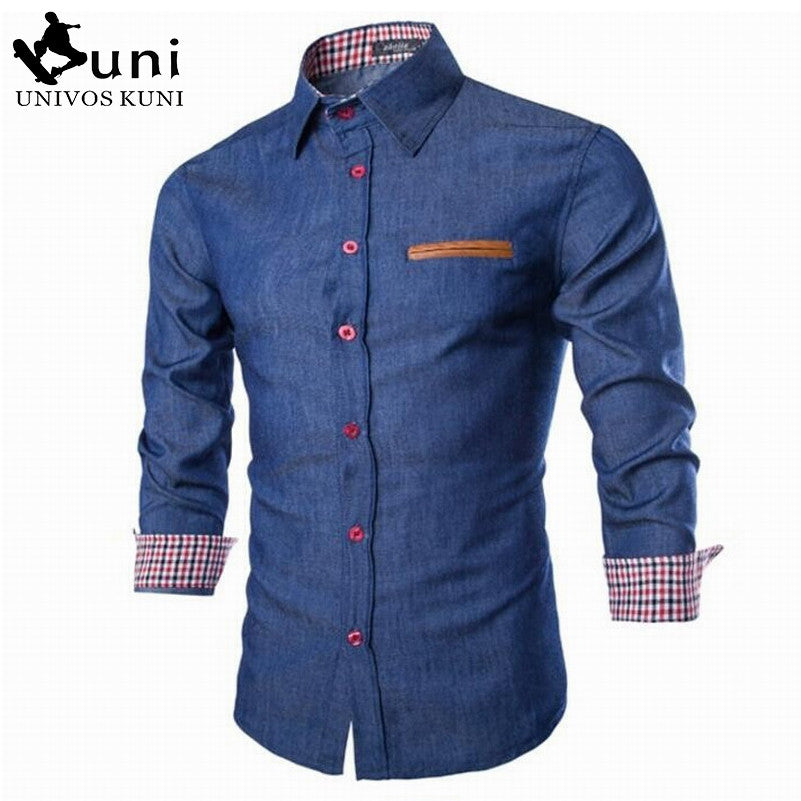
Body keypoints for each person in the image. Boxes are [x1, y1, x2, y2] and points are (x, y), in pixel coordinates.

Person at [33, 11, 87, 78]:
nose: (54, 19)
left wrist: (74, 26)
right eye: (51, 18)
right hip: (56, 46)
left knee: (82, 58)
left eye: (54, 17)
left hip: (67, 49)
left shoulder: (61, 25)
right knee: (39, 43)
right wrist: (39, 52)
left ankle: (58, 70)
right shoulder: (49, 30)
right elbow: (44, 40)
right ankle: (38, 57)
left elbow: (68, 26)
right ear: (49, 20)